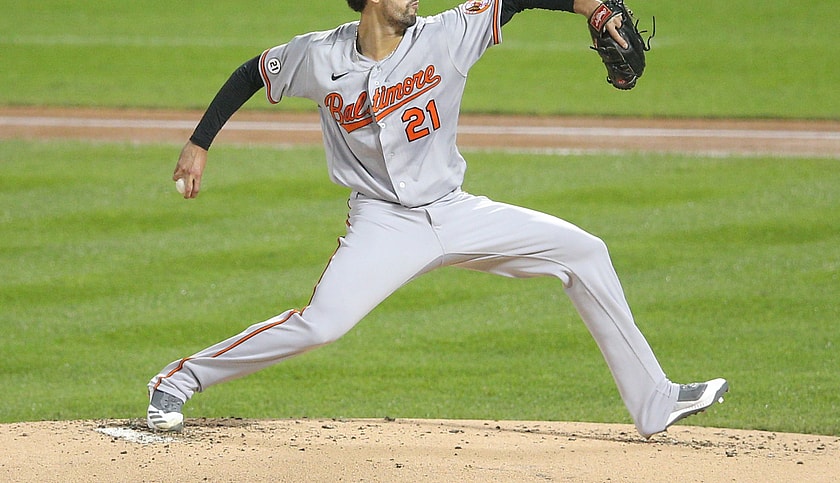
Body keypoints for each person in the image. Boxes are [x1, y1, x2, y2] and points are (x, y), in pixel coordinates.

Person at [147, 0, 728, 439]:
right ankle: (177, 381)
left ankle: (654, 400)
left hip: (455, 211)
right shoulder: (318, 55)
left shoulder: (447, 33)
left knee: (584, 251)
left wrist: (594, 7)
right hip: (382, 225)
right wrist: (199, 143)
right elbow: (252, 72)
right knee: (321, 325)